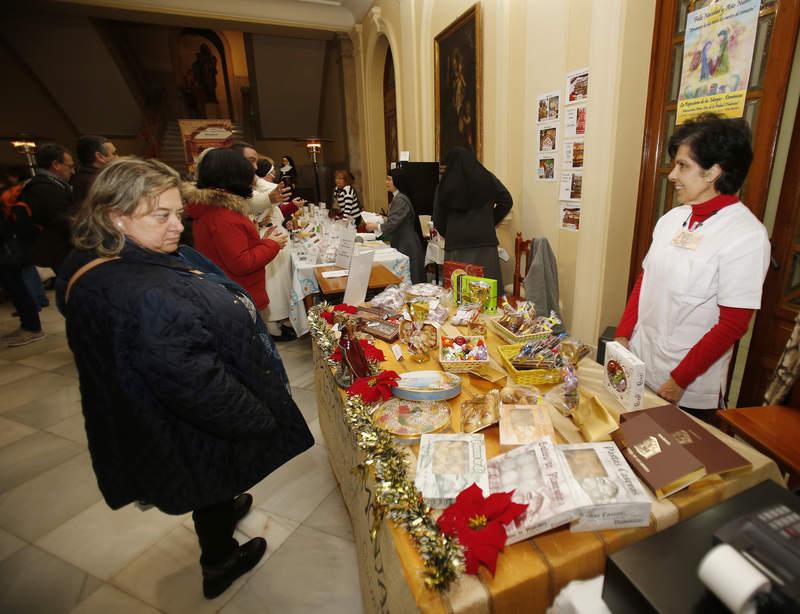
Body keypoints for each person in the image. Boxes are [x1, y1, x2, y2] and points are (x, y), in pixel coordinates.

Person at [57, 158, 314, 598]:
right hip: (182, 419)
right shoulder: (143, 293)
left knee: (215, 477)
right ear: (116, 215)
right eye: (162, 216)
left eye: (178, 214)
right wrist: (259, 416)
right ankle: (220, 561)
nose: (177, 226)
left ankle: (224, 506)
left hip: (156, 408)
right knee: (207, 472)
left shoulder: (113, 258)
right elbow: (199, 386)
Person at [615, 114, 769, 425]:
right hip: (641, 360)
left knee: (673, 467)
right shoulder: (673, 218)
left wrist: (680, 380)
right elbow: (645, 279)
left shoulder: (747, 235)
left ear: (714, 171)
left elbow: (734, 323)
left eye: (683, 166)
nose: (672, 175)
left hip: (687, 383)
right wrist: (622, 336)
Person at [184, 148, 288, 320]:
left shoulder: (213, 209)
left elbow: (231, 251)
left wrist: (262, 242)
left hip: (227, 295)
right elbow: (241, 263)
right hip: (237, 298)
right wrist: (272, 244)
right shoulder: (223, 215)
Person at [432, 147, 513, 291]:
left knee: (459, 294)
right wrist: (489, 222)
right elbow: (506, 201)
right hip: (485, 244)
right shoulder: (487, 177)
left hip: (456, 245)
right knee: (489, 294)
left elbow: (438, 217)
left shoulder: (445, 184)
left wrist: (450, 232)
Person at [20, 143, 75, 273]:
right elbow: (60, 221)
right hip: (56, 251)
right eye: (70, 166)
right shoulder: (43, 188)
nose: (73, 171)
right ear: (56, 165)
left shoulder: (49, 185)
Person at [365, 168, 426, 284]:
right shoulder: (398, 197)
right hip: (403, 241)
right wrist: (384, 219)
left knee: (410, 279)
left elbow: (393, 224)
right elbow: (399, 220)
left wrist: (376, 226)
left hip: (406, 244)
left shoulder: (400, 199)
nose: (386, 182)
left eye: (389, 180)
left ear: (397, 181)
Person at [72, 135, 117, 206]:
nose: (117, 157)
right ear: (100, 157)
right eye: (114, 154)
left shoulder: (81, 176)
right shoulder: (95, 182)